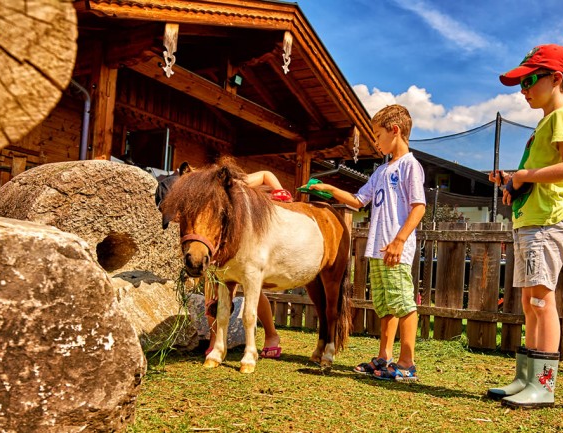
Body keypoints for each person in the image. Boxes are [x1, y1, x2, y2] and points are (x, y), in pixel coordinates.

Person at [486, 44, 563, 408]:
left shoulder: (561, 116)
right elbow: (542, 174)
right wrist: (514, 182)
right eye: (520, 84)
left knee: (542, 301)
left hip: (546, 224)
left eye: (529, 80)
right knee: (529, 302)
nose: (523, 90)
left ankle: (544, 385)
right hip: (531, 224)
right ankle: (525, 378)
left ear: (556, 78)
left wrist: (525, 175)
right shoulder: (545, 122)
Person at [306, 104, 426, 381]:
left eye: (377, 134)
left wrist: (399, 240)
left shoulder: (410, 166)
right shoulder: (382, 170)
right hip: (377, 249)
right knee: (385, 306)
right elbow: (360, 200)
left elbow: (419, 207)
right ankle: (385, 357)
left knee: (404, 304)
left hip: (395, 248)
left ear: (394, 130)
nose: (375, 141)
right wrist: (329, 189)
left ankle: (407, 364)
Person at [157, 161, 287, 358]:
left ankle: (271, 335)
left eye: (177, 215)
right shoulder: (194, 203)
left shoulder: (227, 183)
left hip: (242, 245)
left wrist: (280, 194)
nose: (176, 219)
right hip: (215, 250)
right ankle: (216, 339)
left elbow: (265, 174)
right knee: (215, 296)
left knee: (254, 291)